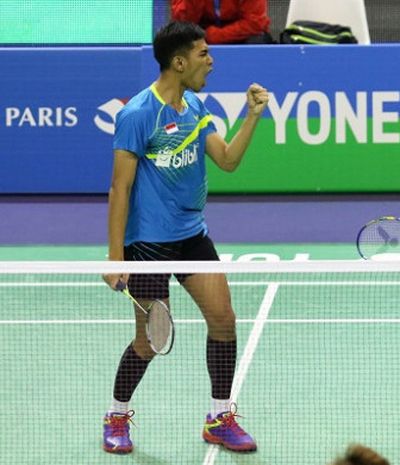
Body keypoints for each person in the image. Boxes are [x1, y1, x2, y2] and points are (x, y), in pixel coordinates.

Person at [100, 20, 269, 454]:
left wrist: (252, 117)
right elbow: (120, 188)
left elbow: (227, 160)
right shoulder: (138, 114)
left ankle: (219, 417)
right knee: (149, 341)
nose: (211, 61)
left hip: (192, 234)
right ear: (178, 61)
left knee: (224, 320)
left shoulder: (195, 105)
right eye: (203, 54)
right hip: (148, 245)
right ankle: (116, 416)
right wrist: (116, 257)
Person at [170, 0, 274, 44]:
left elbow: (255, 23)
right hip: (200, 35)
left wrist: (214, 35)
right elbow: (183, 22)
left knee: (257, 40)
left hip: (241, 36)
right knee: (180, 40)